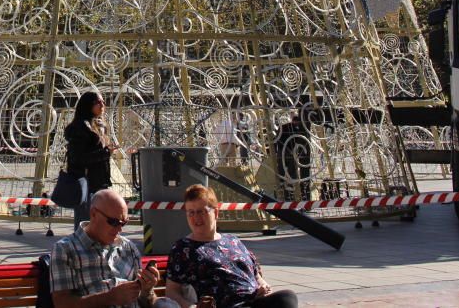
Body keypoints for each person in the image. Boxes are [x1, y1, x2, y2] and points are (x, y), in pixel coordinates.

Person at [165, 184, 297, 308]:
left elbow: (256, 276)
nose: (195, 218)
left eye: (201, 212)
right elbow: (171, 292)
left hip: (254, 301)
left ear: (216, 213)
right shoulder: (183, 248)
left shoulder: (232, 240)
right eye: (191, 213)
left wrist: (263, 287)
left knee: (287, 298)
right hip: (224, 305)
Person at [50, 188, 179, 308]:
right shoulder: (66, 249)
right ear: (93, 214)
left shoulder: (128, 248)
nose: (120, 229)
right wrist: (109, 298)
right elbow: (62, 303)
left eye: (124, 223)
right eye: (114, 222)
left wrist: (147, 290)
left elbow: (145, 301)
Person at [64, 91, 116, 230]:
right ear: (88, 105)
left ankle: (94, 250)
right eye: (98, 102)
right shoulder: (81, 128)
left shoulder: (95, 125)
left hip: (97, 183)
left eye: (103, 102)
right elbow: (78, 158)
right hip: (86, 184)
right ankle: (82, 251)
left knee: (98, 224)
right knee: (85, 225)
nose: (102, 105)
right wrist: (105, 153)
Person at [273, 115, 311, 200]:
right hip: (289, 152)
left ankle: (284, 190)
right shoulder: (296, 129)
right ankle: (289, 192)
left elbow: (276, 140)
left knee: (282, 172)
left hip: (283, 152)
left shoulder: (283, 127)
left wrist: (275, 151)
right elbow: (299, 141)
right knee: (291, 172)